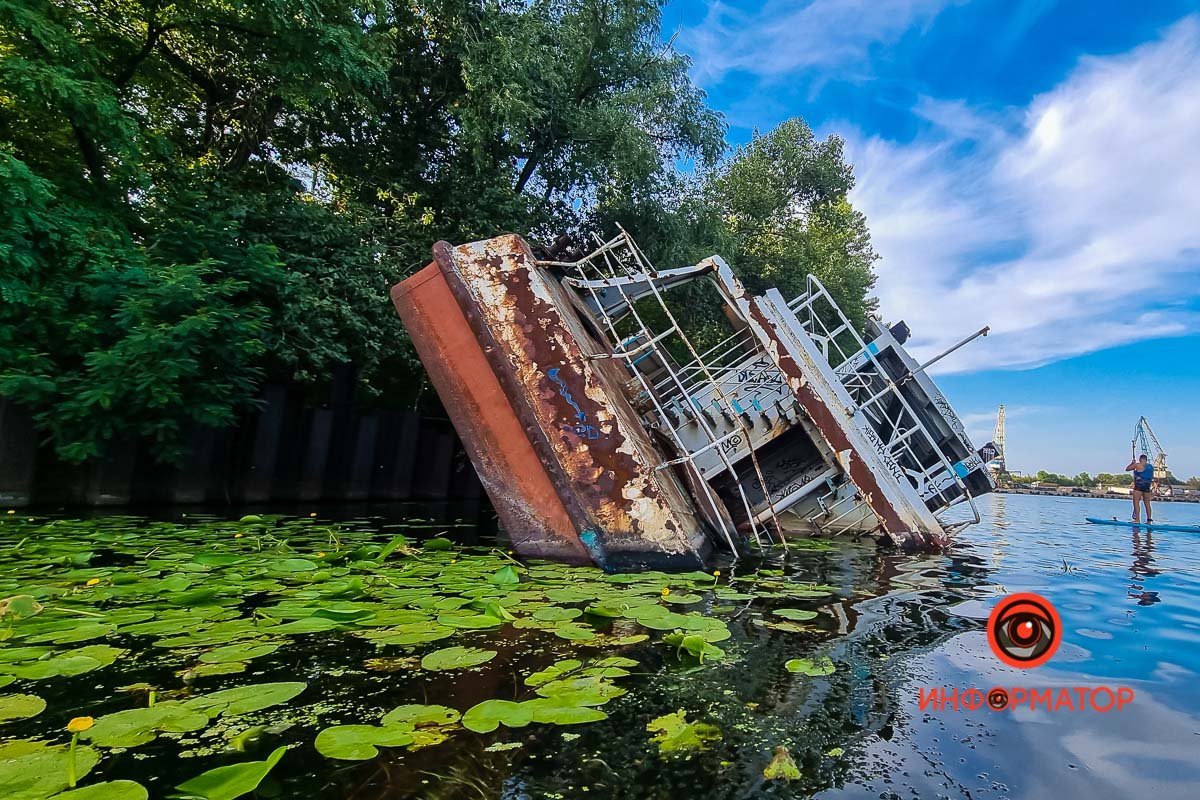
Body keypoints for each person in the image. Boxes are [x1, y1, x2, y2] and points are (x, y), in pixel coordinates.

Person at [1125, 453, 1154, 523]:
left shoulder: (1137, 465)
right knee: (1147, 503)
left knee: (1136, 502)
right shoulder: (1151, 467)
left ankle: (1137, 520)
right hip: (1147, 485)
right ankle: (1149, 520)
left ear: (1140, 459)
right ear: (1146, 460)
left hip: (1139, 485)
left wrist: (1132, 463)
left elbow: (1127, 469)